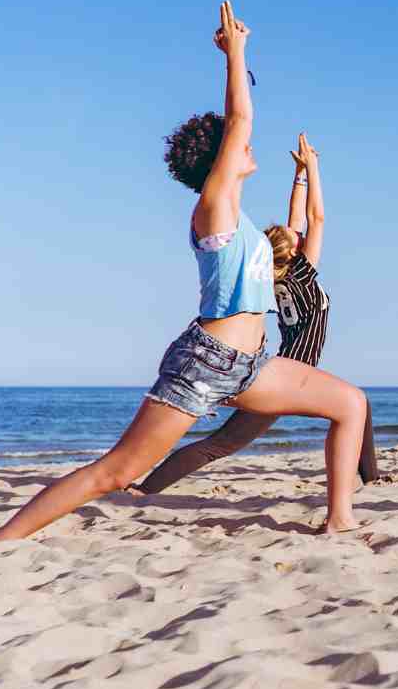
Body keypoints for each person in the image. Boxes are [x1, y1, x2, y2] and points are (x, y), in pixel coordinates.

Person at [0, 2, 371, 542]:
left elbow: (294, 210)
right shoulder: (215, 208)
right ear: (219, 160)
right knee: (117, 472)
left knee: (350, 403)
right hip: (206, 363)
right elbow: (240, 121)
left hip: (253, 364)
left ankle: (340, 520)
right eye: (237, 147)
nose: (248, 145)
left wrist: (306, 177)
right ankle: (0, 539)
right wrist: (236, 55)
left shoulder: (243, 219)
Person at [130, 131, 382, 495]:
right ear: (294, 254)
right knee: (220, 445)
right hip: (283, 374)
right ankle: (144, 490)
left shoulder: (280, 272)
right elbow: (316, 217)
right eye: (295, 238)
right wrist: (313, 167)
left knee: (356, 403)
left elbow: (297, 218)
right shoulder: (303, 274)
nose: (298, 235)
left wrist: (299, 176)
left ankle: (372, 479)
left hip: (283, 368)